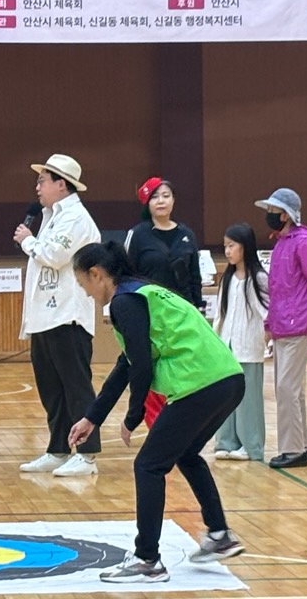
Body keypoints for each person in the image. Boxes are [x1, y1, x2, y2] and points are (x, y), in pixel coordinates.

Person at [68, 241, 245, 584]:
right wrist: (93, 417)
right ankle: (219, 535)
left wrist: (132, 417)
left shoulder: (124, 301)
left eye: (84, 285)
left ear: (96, 274)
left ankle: (147, 559)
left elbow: (142, 367)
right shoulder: (145, 292)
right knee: (188, 454)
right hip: (227, 379)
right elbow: (127, 363)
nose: (88, 294)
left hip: (199, 383)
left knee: (148, 465)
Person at [14, 154, 102, 477]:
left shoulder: (76, 218)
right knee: (51, 387)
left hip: (68, 316)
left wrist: (27, 241)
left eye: (42, 180)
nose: (37, 186)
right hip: (45, 317)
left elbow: (53, 255)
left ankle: (88, 454)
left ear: (60, 184)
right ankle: (58, 448)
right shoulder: (51, 216)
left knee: (76, 385)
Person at [255, 188, 307, 469]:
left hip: (296, 323)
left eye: (272, 211)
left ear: (285, 214)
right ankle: (301, 446)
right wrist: (270, 322)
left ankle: (292, 449)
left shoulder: (302, 243)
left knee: (286, 388)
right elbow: (276, 290)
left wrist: (306, 306)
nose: (269, 216)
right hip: (284, 323)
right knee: (291, 389)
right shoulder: (282, 244)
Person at [212, 223, 270, 463]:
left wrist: (268, 341)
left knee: (249, 400)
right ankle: (225, 442)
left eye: (231, 245)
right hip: (227, 347)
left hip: (249, 347)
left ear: (245, 247)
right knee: (226, 396)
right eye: (225, 246)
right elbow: (220, 314)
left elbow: (266, 312)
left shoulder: (259, 279)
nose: (227, 250)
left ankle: (251, 445)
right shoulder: (227, 278)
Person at [126, 177, 204, 307]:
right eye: (155, 197)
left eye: (166, 196)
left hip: (182, 307)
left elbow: (195, 276)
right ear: (148, 203)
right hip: (149, 306)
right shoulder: (137, 234)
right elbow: (127, 275)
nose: (161, 201)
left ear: (173, 200)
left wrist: (199, 306)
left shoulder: (186, 234)